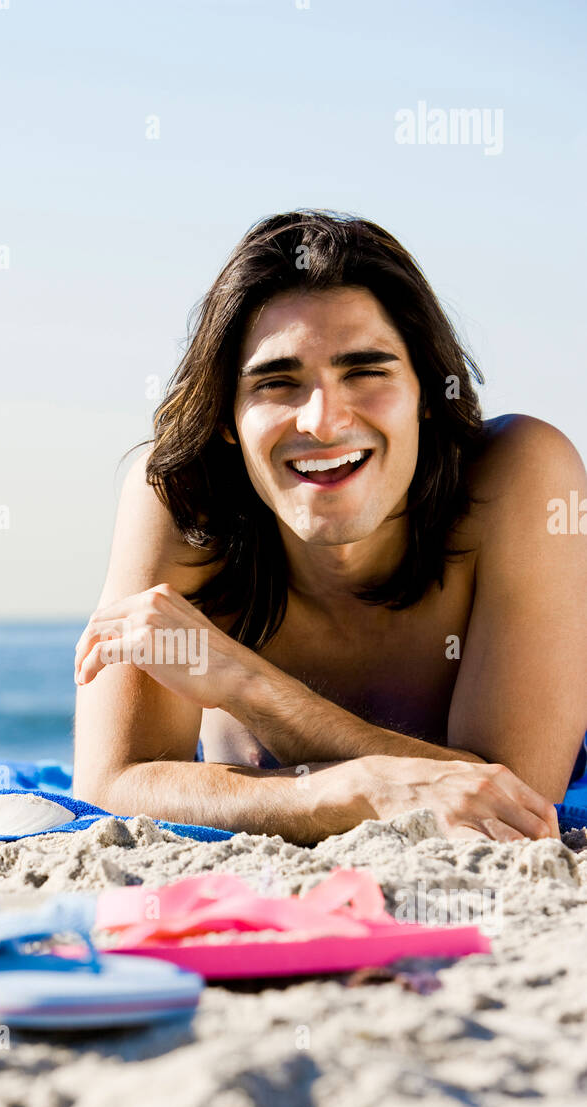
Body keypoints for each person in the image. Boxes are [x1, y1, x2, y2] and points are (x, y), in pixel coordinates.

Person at [73, 212, 587, 843]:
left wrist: (245, 682)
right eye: (277, 382)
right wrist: (363, 788)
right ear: (229, 418)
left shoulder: (517, 475)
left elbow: (521, 806)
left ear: (425, 392)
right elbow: (115, 780)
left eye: (365, 371)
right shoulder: (185, 500)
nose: (321, 420)